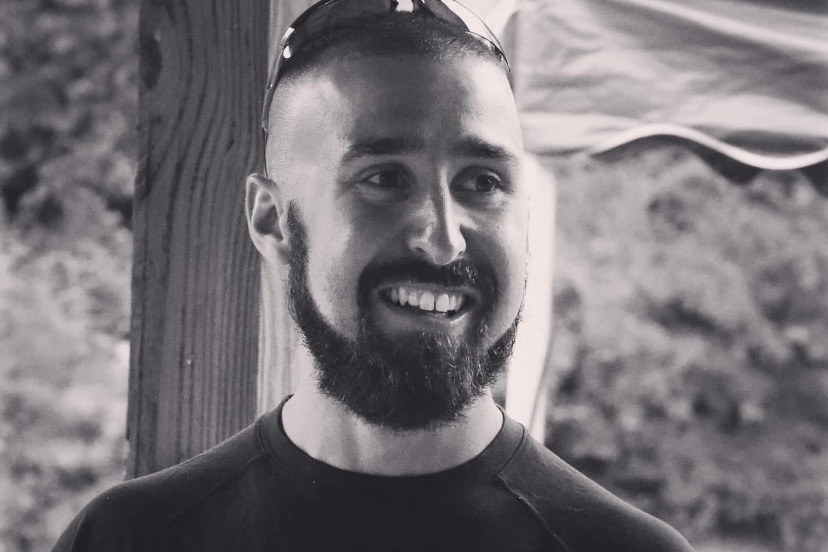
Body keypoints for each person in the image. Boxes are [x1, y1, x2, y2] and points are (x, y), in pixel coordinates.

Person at [53, 1, 694, 550]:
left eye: (482, 182)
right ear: (273, 222)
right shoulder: (127, 539)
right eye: (384, 179)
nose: (443, 240)